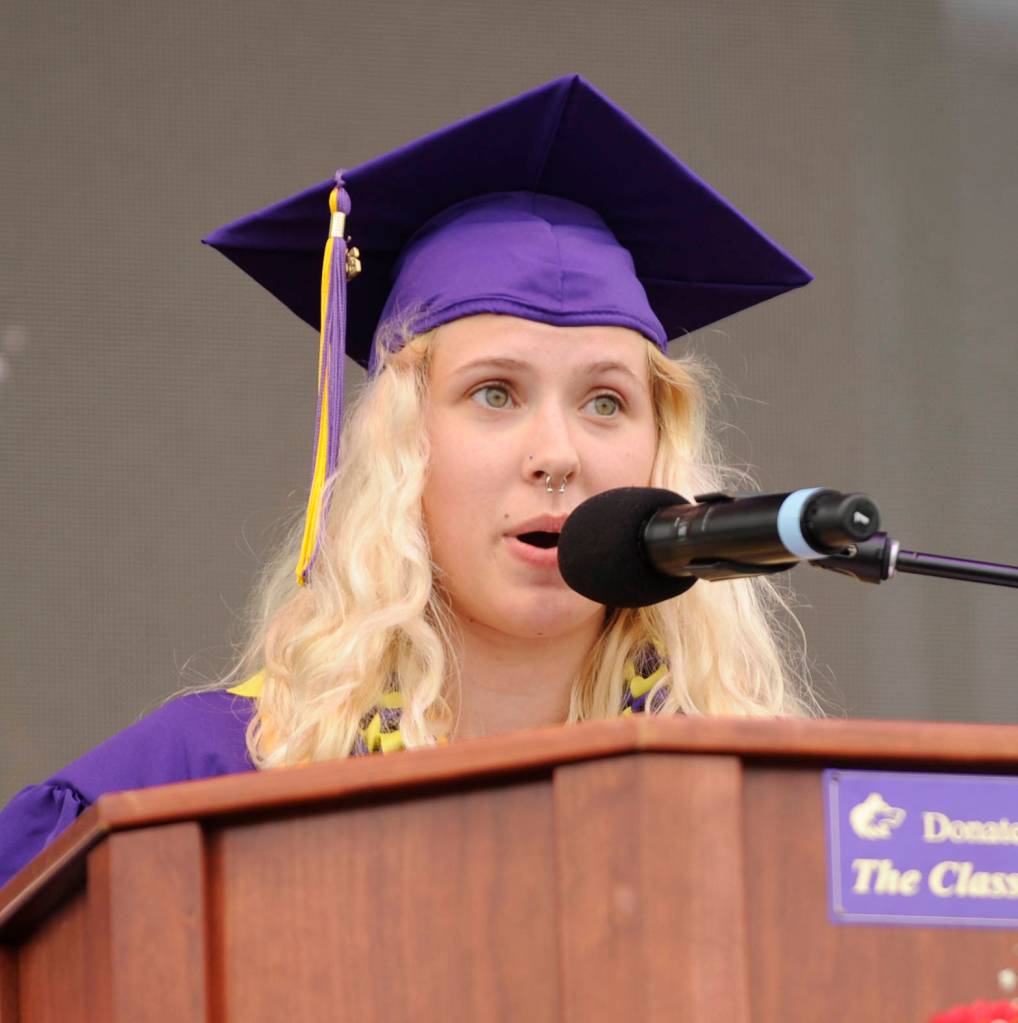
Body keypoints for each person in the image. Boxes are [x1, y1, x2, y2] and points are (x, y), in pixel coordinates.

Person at [0, 75, 815, 888]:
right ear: (401, 445)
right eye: (494, 393)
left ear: (660, 456)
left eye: (606, 401)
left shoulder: (756, 812)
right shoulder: (201, 786)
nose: (557, 452)